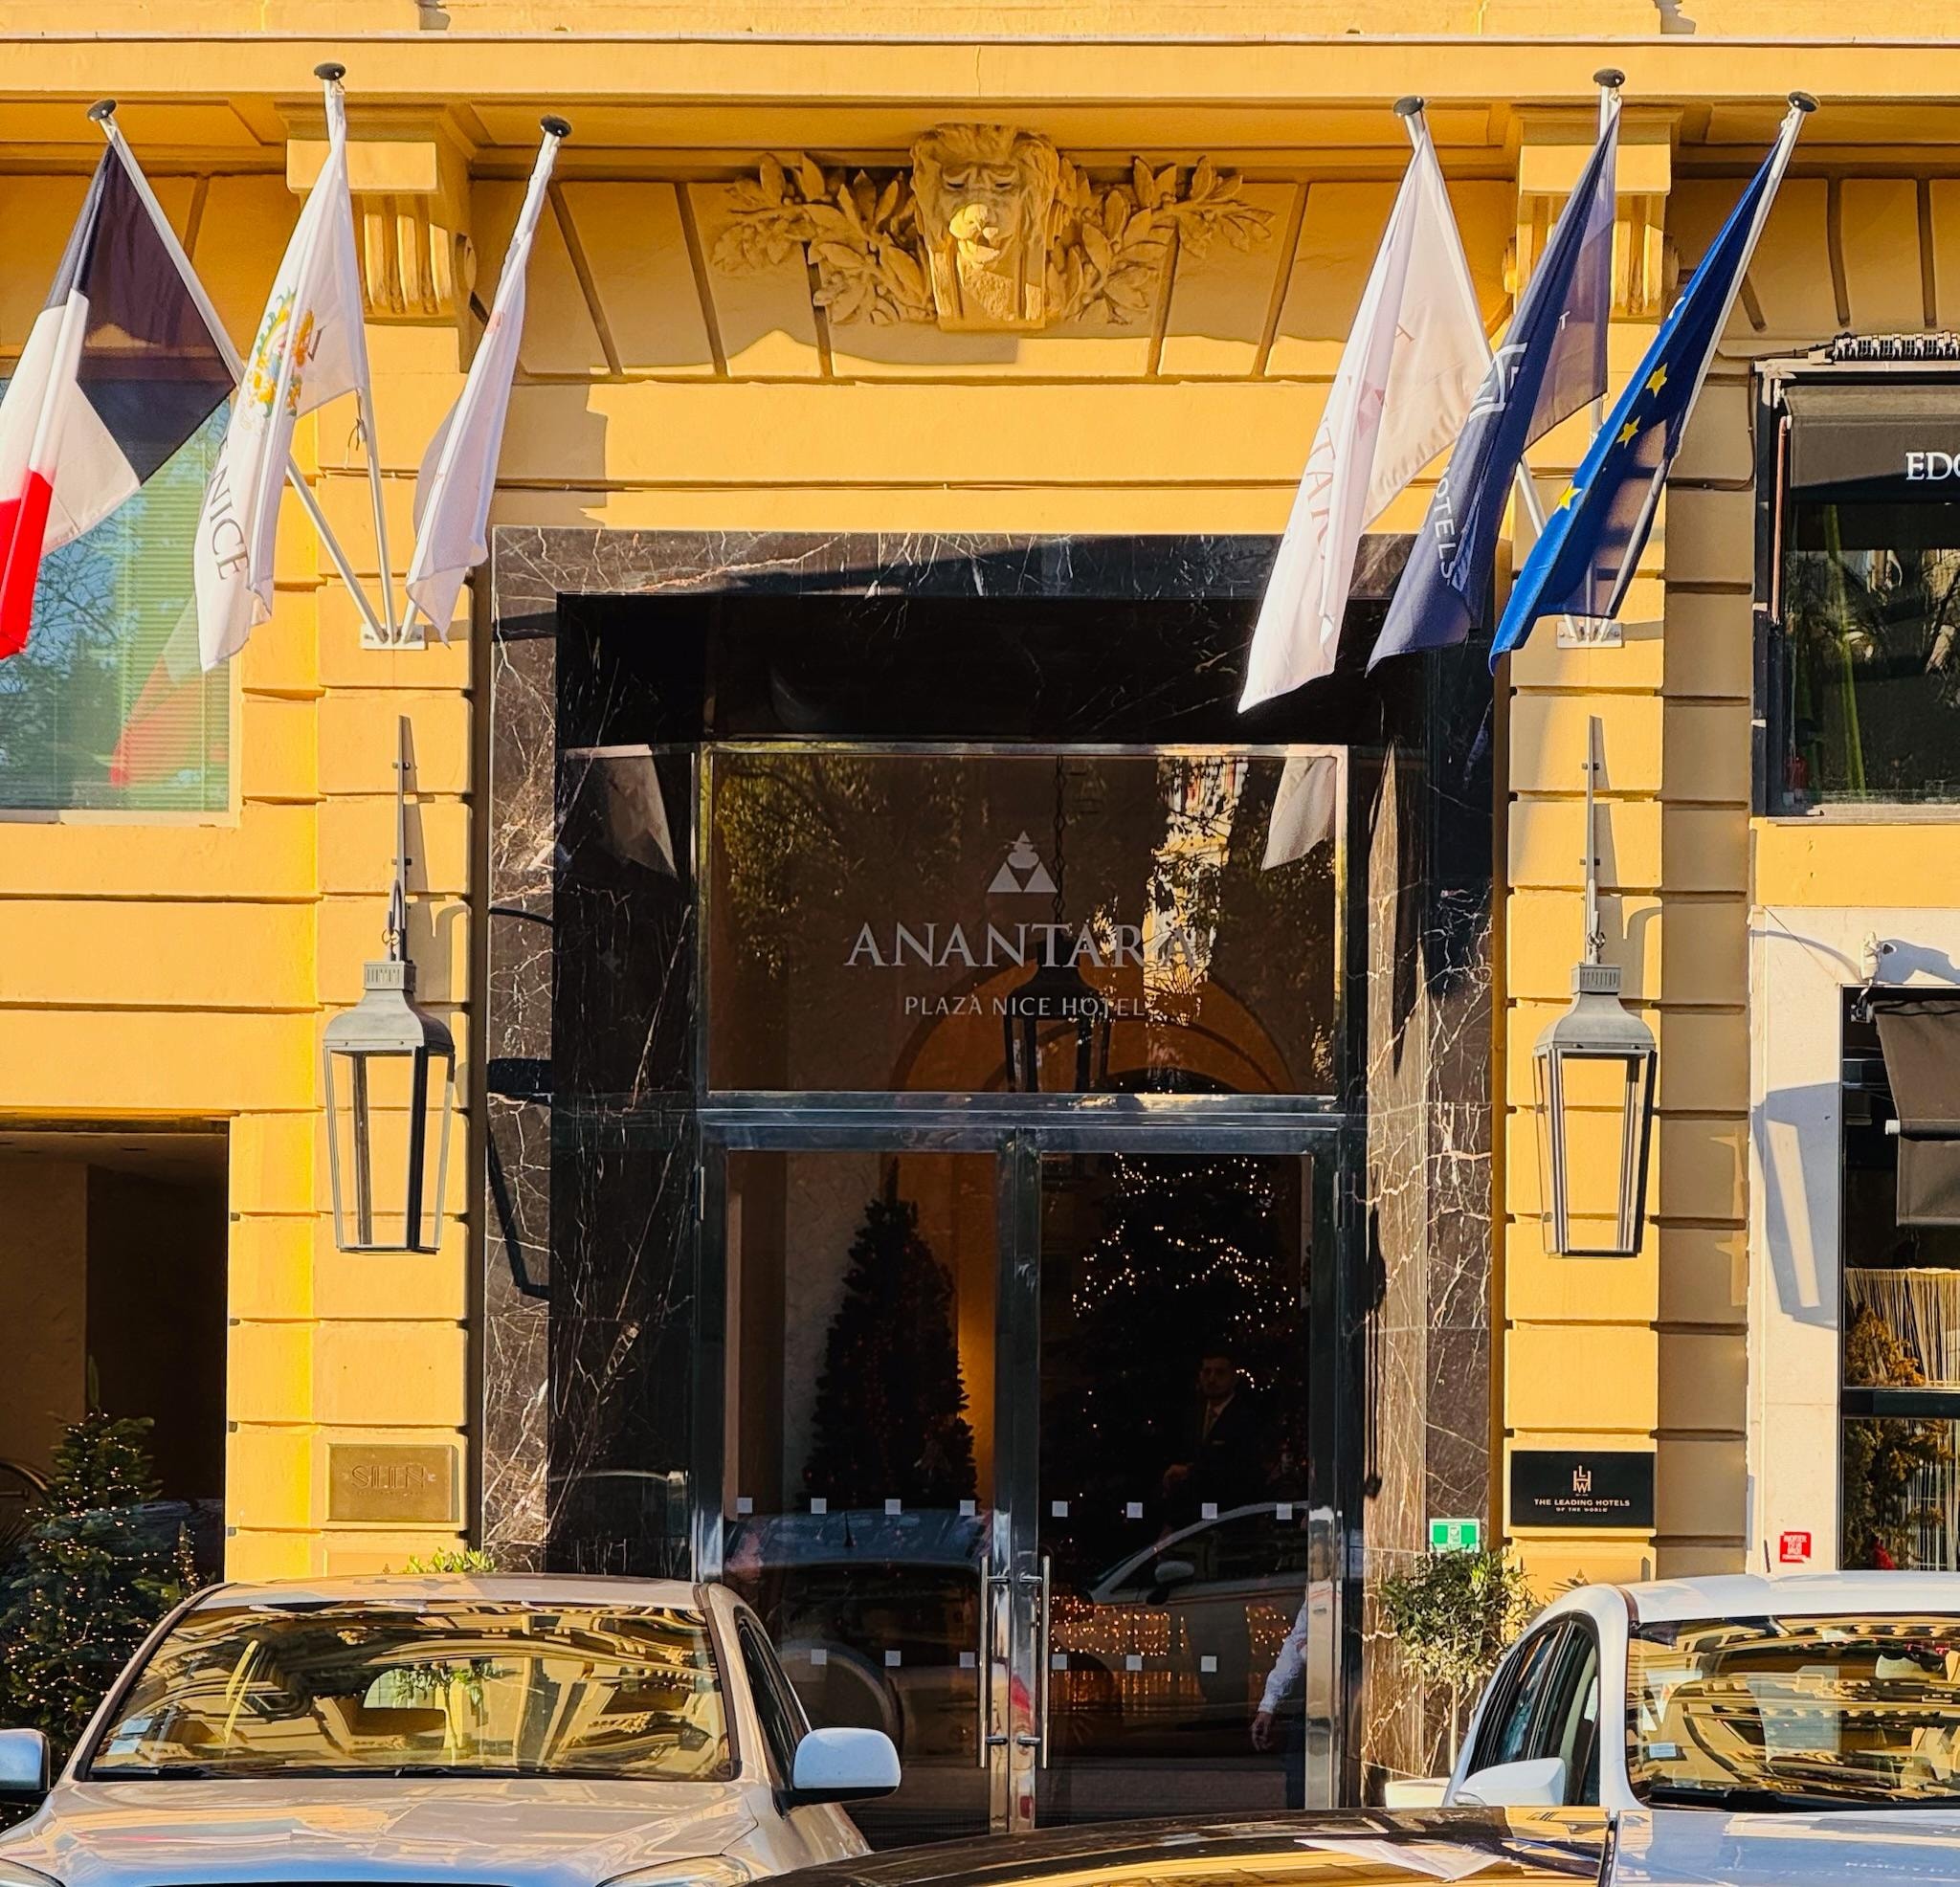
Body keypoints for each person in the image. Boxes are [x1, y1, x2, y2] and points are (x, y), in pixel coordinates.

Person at [1253, 1596, 1309, 1809]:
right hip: (1320, 1696)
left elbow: (1301, 1642)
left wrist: (1307, 1650)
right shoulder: (1319, 1589)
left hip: (1347, 1694)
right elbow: (1298, 1640)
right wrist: (1268, 1705)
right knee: (1298, 1776)